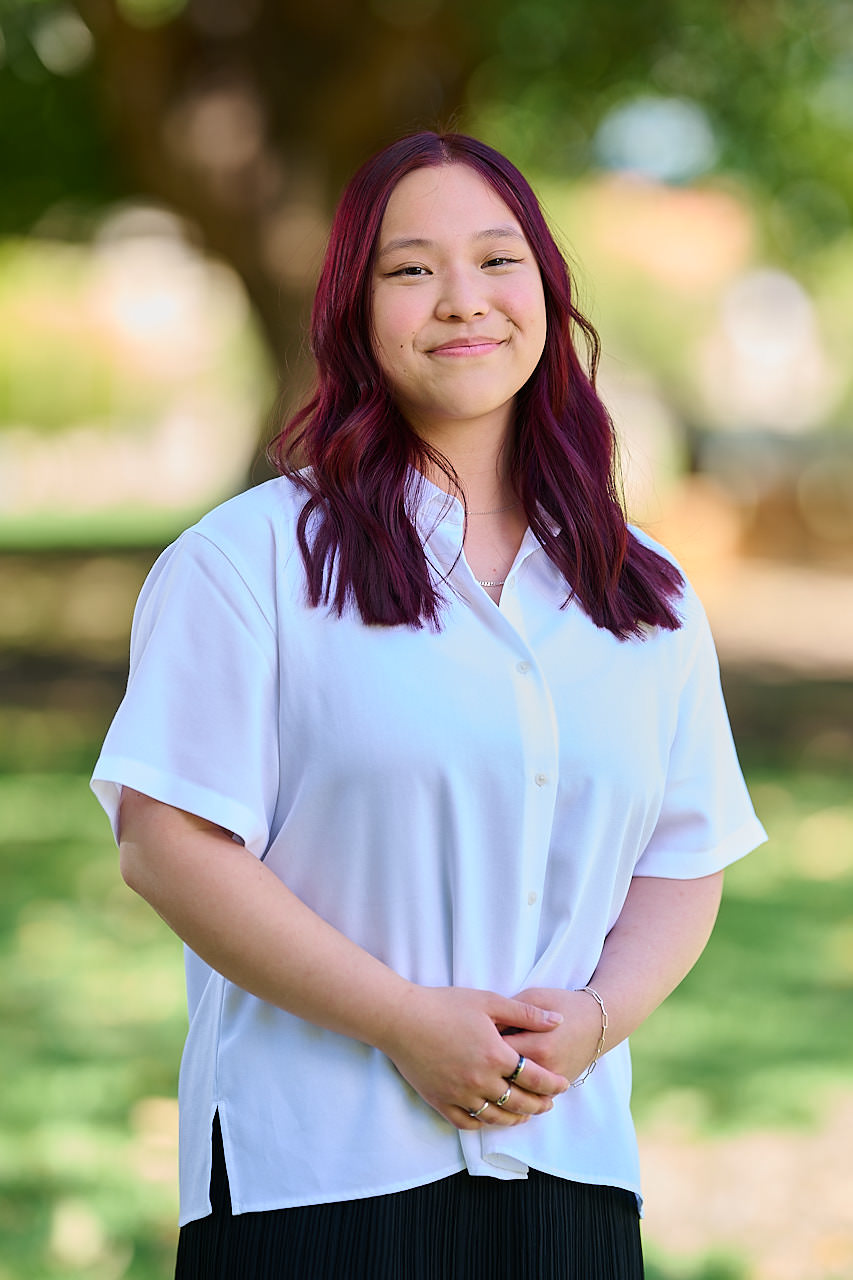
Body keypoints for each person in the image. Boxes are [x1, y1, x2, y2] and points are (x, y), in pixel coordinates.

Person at [91, 131, 766, 1279]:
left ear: (546, 292)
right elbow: (168, 843)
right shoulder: (247, 560)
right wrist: (404, 1020)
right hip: (311, 1179)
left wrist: (596, 1019)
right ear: (353, 311)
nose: (462, 299)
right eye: (410, 269)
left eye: (497, 260)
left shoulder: (642, 587)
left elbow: (683, 853)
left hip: (568, 1174)